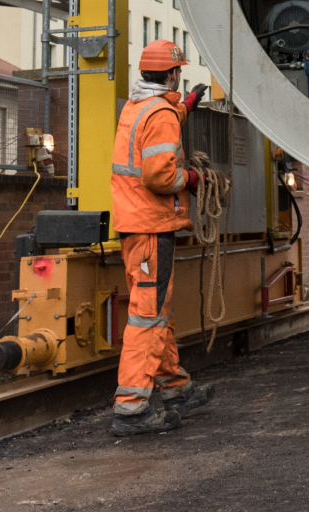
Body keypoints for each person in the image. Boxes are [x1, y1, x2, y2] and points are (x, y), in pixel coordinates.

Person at [110, 40, 212, 435]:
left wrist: (185, 106)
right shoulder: (161, 114)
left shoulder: (138, 107)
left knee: (155, 311)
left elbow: (159, 127)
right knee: (147, 316)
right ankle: (131, 409)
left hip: (136, 226)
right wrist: (194, 179)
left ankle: (175, 389)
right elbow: (160, 176)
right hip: (153, 226)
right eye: (178, 71)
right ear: (171, 74)